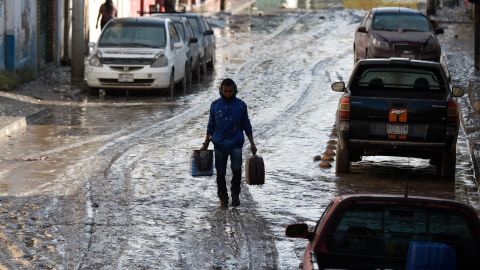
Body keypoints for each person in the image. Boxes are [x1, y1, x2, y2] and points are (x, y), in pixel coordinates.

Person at [200, 78, 257, 208]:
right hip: (219, 145)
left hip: (236, 144)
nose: (227, 93)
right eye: (225, 91)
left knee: (237, 171)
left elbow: (246, 125)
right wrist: (205, 144)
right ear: (221, 90)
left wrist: (252, 143)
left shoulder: (241, 105)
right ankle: (223, 197)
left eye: (230, 91)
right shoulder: (215, 105)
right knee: (220, 173)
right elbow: (211, 126)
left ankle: (235, 195)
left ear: (234, 90)